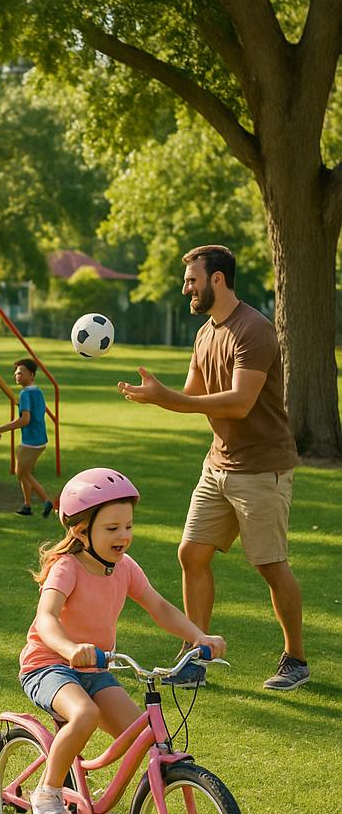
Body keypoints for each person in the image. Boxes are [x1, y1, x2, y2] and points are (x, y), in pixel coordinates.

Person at [118, 245, 306, 691]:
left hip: (261, 468)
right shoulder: (206, 333)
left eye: (192, 280)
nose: (187, 289)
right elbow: (191, 393)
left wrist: (170, 398)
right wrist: (157, 394)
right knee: (191, 553)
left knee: (270, 566)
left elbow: (240, 403)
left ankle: (295, 658)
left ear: (217, 280)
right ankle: (196, 654)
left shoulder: (253, 330)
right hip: (218, 464)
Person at [19, 469, 226, 814]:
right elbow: (46, 618)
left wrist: (199, 636)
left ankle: (92, 807)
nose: (124, 536)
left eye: (128, 526)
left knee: (141, 741)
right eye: (112, 528)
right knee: (83, 715)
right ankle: (48, 791)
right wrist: (69, 649)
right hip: (50, 666)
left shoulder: (124, 568)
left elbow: (159, 607)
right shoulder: (67, 568)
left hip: (96, 670)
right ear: (80, 530)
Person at [0, 357, 56, 517]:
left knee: (23, 474)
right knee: (22, 472)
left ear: (32, 375)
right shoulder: (38, 391)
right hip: (38, 439)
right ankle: (27, 506)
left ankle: (47, 501)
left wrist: (2, 428)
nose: (16, 375)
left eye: (21, 373)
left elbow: (25, 419)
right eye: (16, 372)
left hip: (32, 441)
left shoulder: (25, 394)